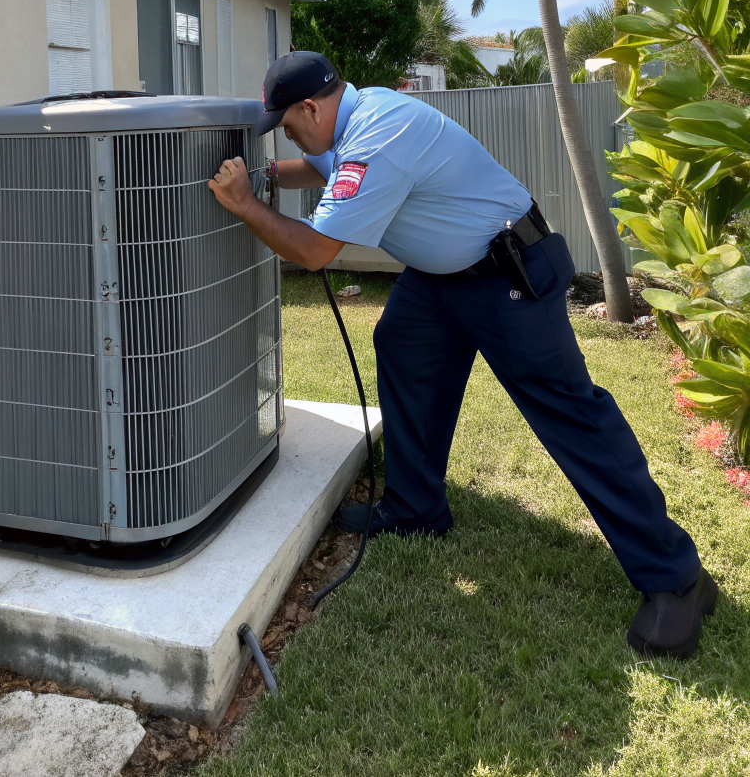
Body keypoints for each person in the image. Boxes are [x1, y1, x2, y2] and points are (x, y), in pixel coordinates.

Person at [208, 51, 716, 659]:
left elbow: (315, 251)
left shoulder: (378, 134)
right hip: (441, 276)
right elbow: (318, 167)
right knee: (400, 343)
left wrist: (245, 203)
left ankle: (676, 577)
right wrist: (269, 176)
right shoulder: (348, 117)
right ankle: (416, 505)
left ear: (311, 106)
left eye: (288, 125)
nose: (289, 135)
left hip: (509, 271)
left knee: (572, 415)